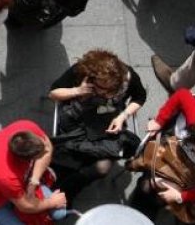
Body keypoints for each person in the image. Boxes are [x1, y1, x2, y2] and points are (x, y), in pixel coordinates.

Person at [127, 88, 195, 222]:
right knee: (147, 186)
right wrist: (159, 121)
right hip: (173, 152)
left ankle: (142, 216)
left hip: (192, 176)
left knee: (157, 194)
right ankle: (137, 218)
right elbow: (182, 94)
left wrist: (181, 196)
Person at [48, 49, 146, 199]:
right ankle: (58, 193)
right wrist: (77, 91)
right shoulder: (79, 70)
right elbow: (53, 93)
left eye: (112, 88)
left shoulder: (128, 77)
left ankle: (65, 192)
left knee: (102, 168)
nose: (107, 93)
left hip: (108, 121)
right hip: (77, 118)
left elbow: (139, 97)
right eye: (102, 87)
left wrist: (122, 116)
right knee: (71, 158)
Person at [0, 120, 68, 225]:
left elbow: (48, 148)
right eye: (39, 155)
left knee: (59, 213)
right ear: (26, 160)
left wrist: (34, 181)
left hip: (17, 183)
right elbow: (25, 206)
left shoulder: (26, 126)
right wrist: (51, 202)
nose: (45, 153)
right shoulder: (6, 176)